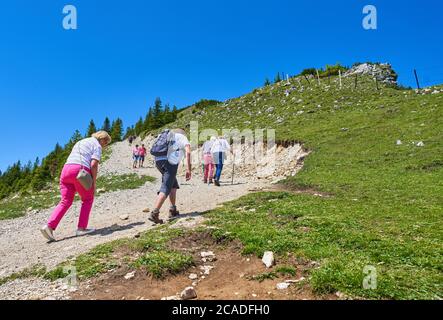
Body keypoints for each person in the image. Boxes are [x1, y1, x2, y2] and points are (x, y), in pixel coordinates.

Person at [40, 131, 112, 242]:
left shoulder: (81, 141)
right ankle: (81, 228)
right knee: (87, 199)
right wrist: (93, 181)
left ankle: (49, 226)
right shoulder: (97, 145)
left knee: (65, 201)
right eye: (106, 142)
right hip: (80, 171)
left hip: (66, 170)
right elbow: (93, 164)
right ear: (102, 139)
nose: (105, 145)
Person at [149, 128, 192, 224]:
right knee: (166, 186)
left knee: (173, 184)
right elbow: (188, 152)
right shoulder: (182, 137)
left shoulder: (166, 136)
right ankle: (154, 213)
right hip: (169, 162)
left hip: (158, 161)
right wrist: (189, 169)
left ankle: (173, 210)